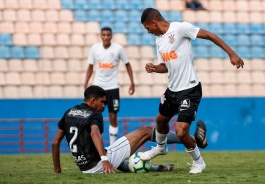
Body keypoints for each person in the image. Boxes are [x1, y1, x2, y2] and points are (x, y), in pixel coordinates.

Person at [139, 8, 244, 174]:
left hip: (189, 88)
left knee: (181, 132)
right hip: (172, 90)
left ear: (153, 22)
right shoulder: (159, 41)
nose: (148, 32)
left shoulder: (180, 29)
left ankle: (198, 162)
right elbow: (165, 67)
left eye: (147, 28)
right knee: (160, 121)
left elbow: (209, 35)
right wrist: (154, 68)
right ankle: (160, 148)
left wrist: (231, 53)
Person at [52, 85, 176, 174]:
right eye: (102, 102)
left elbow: (55, 142)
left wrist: (57, 170)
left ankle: (158, 168)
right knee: (147, 131)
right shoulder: (94, 115)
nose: (104, 106)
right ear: (92, 100)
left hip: (84, 168)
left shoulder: (69, 112)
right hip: (98, 165)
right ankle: (186, 138)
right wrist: (105, 160)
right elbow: (94, 132)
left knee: (116, 156)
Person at [84, 27, 135, 145]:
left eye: (108, 35)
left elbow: (128, 65)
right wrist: (86, 83)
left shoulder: (118, 49)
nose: (106, 37)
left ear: (111, 36)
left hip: (112, 87)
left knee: (113, 115)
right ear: (100, 36)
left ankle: (113, 145)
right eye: (104, 35)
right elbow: (90, 67)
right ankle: (95, 143)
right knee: (95, 114)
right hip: (98, 87)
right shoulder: (95, 48)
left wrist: (132, 82)